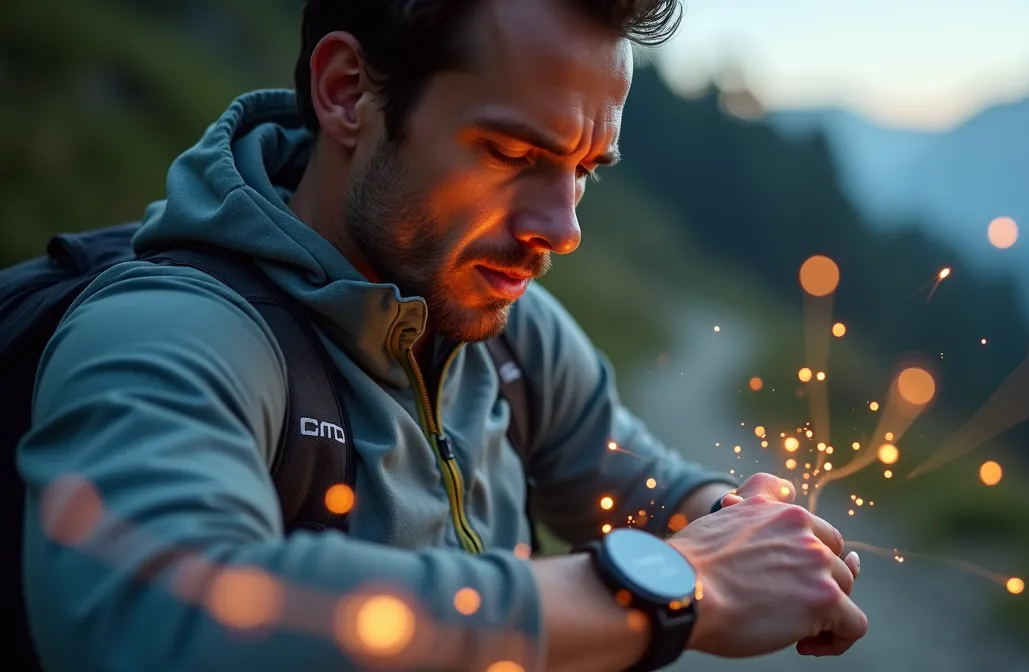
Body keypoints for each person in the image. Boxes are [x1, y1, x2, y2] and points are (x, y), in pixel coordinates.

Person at [16, 0, 868, 670]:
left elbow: (629, 479)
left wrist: (735, 523)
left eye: (583, 170)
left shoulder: (509, 330)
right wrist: (667, 589)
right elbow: (155, 619)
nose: (563, 228)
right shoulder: (174, 330)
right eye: (511, 153)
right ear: (347, 91)